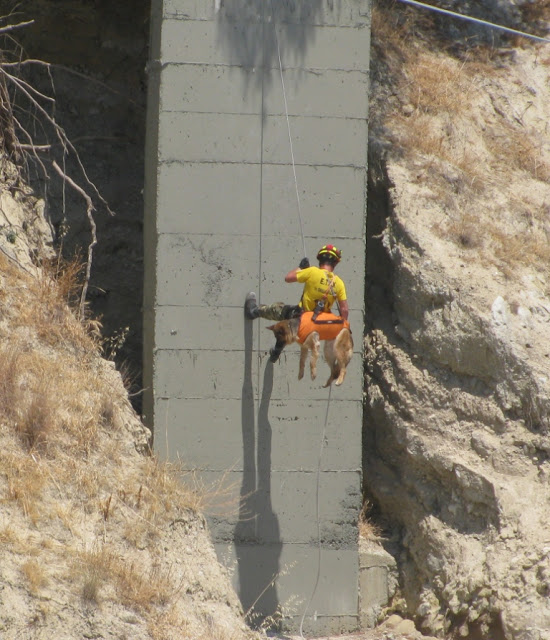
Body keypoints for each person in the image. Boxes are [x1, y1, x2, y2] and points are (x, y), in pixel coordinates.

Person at [245, 244, 349, 361]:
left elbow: (288, 278)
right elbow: (344, 310)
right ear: (335, 263)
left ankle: (253, 311)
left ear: (319, 260)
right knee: (289, 325)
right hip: (317, 328)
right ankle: (276, 351)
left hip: (301, 319)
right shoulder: (339, 283)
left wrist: (301, 268)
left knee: (278, 310)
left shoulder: (312, 272)